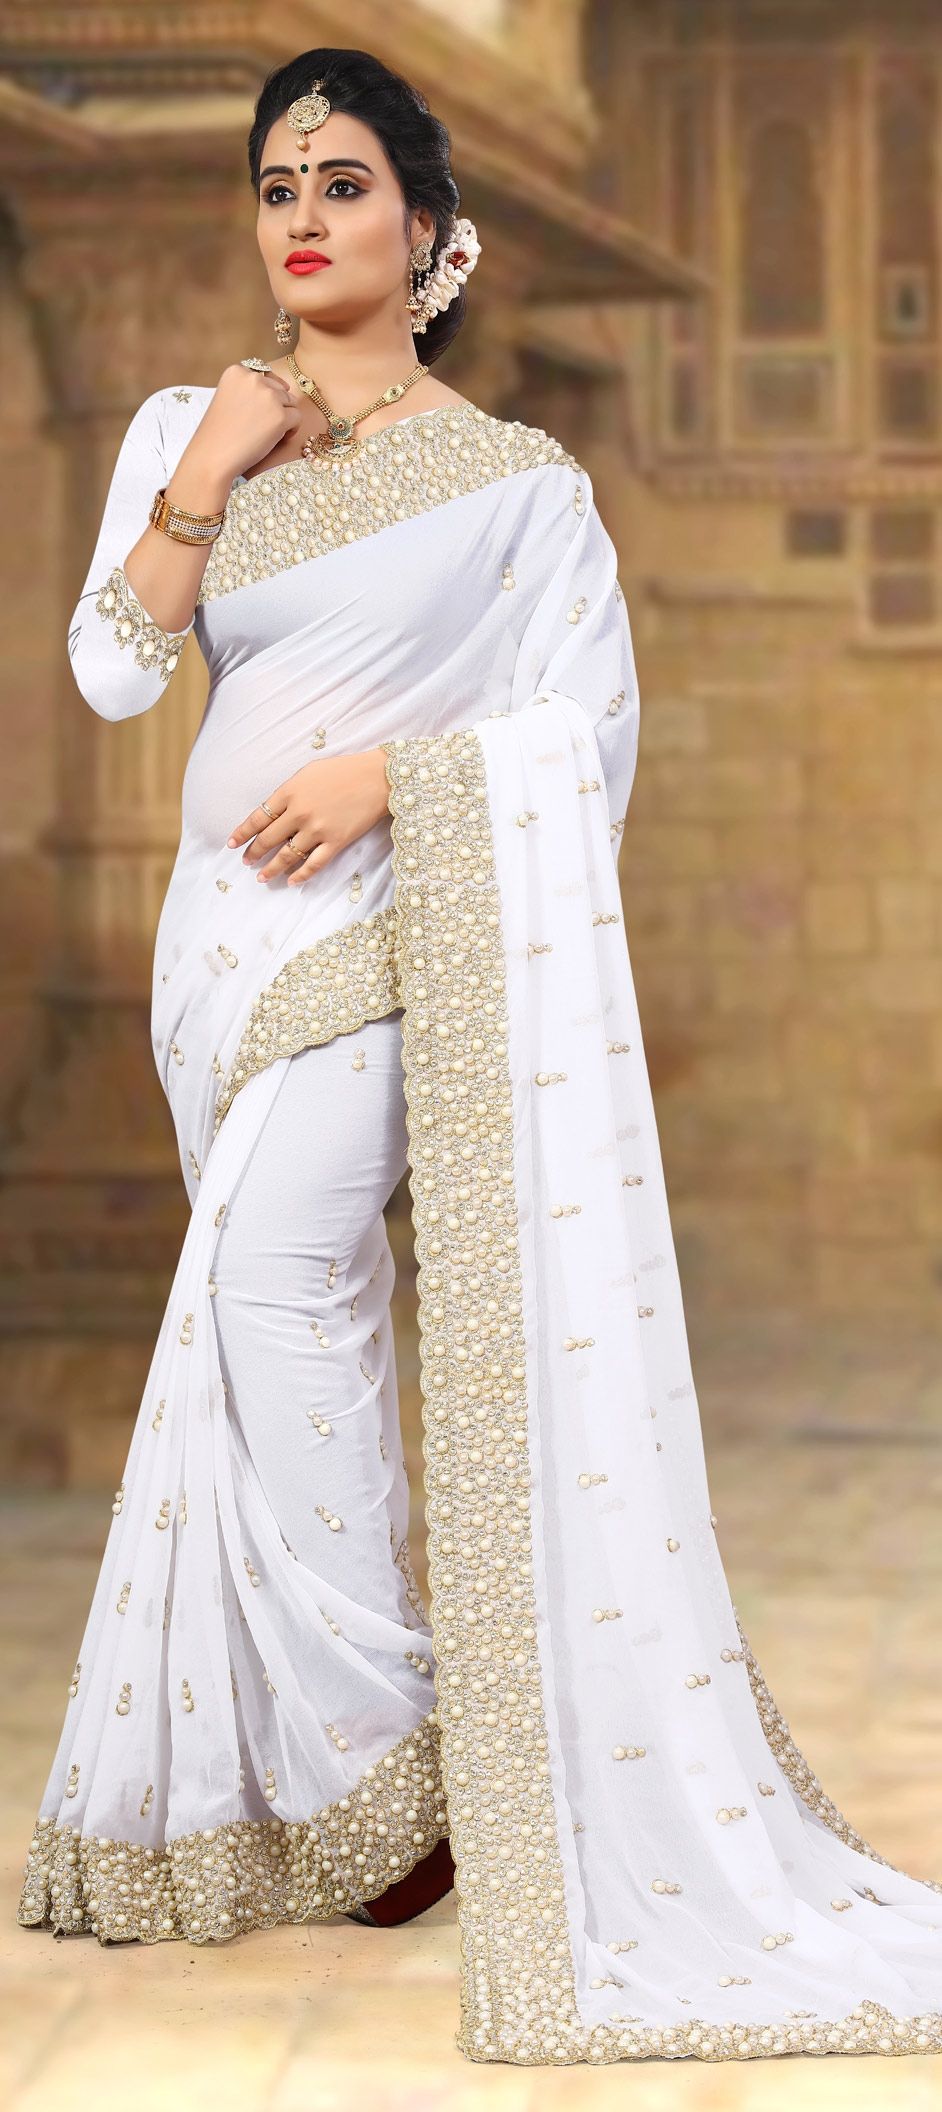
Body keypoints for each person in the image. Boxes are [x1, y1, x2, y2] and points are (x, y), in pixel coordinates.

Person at [15, 45, 942, 2069]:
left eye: (344, 182)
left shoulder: (523, 489)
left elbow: (583, 739)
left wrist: (391, 779)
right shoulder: (189, 425)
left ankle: (396, 1761)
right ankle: (326, 1777)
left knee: (272, 1286)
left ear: (432, 232)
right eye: (278, 185)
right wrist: (208, 471)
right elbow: (107, 672)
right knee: (299, 1322)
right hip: (213, 963)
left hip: (381, 934)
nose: (304, 215)